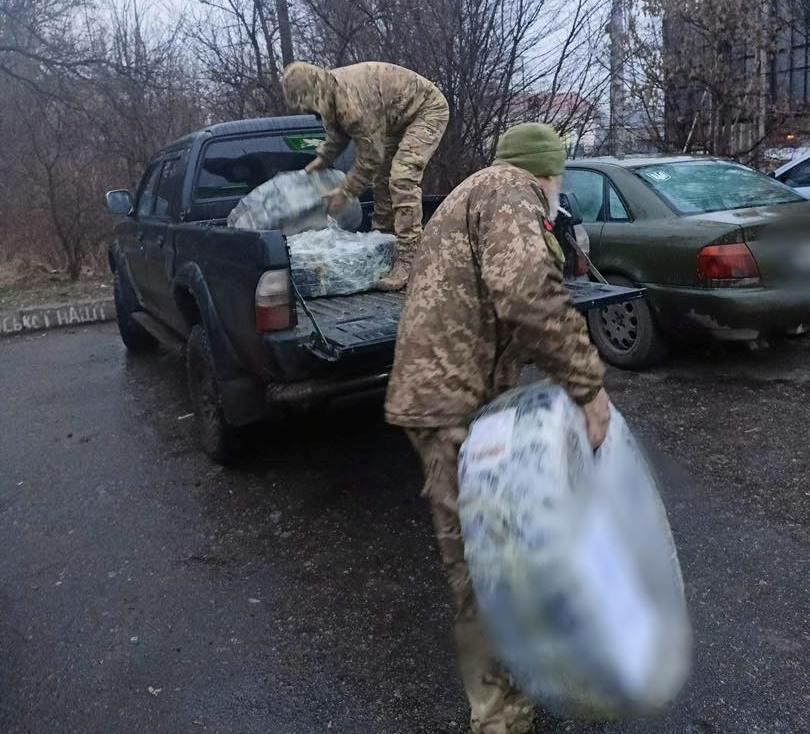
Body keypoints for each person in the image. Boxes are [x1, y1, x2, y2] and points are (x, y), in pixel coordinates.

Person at [384, 122, 611, 733]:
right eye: (559, 175)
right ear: (548, 172)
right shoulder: (510, 192)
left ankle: (523, 681)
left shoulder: (480, 191)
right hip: (447, 407)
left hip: (460, 398)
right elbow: (526, 292)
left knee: (504, 544)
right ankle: (500, 718)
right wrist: (587, 386)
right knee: (481, 565)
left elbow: (505, 303)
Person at [281, 61, 449, 291]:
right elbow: (337, 136)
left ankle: (409, 260)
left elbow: (371, 156)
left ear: (313, 93)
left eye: (308, 107)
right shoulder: (329, 95)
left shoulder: (351, 103)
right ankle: (382, 244)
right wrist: (322, 160)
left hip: (425, 110)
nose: (309, 113)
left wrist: (346, 192)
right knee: (381, 181)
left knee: (402, 177)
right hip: (394, 119)